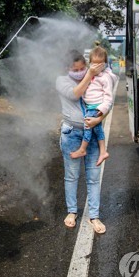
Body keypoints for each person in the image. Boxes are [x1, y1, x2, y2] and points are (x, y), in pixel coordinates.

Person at [56, 50, 116, 234]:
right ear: (68, 68)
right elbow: (75, 94)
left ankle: (94, 216)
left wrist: (99, 119)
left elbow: (106, 99)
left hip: (92, 132)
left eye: (84, 67)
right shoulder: (62, 81)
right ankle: (72, 212)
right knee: (72, 176)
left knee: (93, 177)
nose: (81, 71)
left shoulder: (96, 77)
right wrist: (89, 75)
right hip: (72, 133)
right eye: (77, 69)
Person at [70, 46, 113, 166]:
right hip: (89, 106)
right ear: (90, 63)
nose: (97, 67)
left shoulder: (105, 77)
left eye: (100, 64)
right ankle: (103, 151)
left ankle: (83, 149)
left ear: (105, 64)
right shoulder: (90, 75)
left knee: (87, 126)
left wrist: (102, 109)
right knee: (98, 129)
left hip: (96, 107)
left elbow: (109, 97)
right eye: (94, 64)